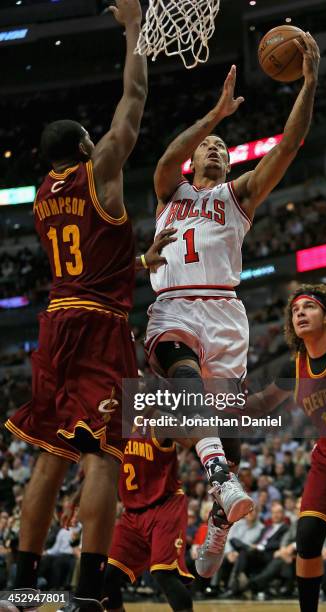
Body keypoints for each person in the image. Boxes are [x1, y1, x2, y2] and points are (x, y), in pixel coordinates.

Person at [145, 31, 320, 578]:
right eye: (210, 146)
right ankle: (220, 476)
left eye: (222, 145)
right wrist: (214, 115)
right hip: (173, 308)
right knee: (184, 380)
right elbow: (167, 158)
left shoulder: (236, 197)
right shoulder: (169, 194)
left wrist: (310, 82)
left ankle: (220, 518)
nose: (217, 148)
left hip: (225, 312)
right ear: (196, 158)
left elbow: (288, 147)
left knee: (230, 430)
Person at [3, 1, 153, 609]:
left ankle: (18, 586)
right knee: (103, 454)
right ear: (88, 145)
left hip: (55, 322)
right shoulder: (101, 173)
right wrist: (136, 27)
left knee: (49, 455)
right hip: (98, 324)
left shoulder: (42, 194)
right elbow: (135, 100)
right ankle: (87, 589)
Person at [248, 283, 326, 612]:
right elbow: (259, 405)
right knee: (306, 536)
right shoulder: (294, 367)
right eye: (295, 310)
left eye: (309, 307)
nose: (300, 313)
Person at [103, 428, 195, 612]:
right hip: (132, 513)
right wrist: (75, 499)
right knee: (107, 575)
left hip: (165, 505)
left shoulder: (157, 421)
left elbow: (192, 442)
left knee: (163, 573)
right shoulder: (115, 426)